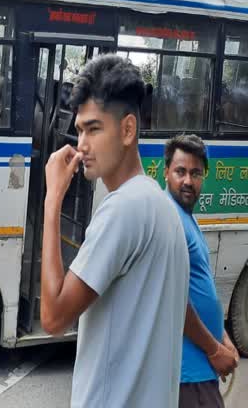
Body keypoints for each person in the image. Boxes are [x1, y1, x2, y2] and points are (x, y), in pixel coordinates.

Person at [40, 54, 189, 408]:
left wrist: (52, 202)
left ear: (127, 130)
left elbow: (53, 317)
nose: (82, 146)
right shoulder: (159, 203)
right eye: (79, 130)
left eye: (94, 129)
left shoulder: (123, 209)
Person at [163, 134, 240, 408]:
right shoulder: (169, 220)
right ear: (166, 173)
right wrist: (215, 349)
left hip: (199, 371)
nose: (188, 181)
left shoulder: (185, 216)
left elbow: (198, 288)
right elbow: (174, 300)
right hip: (187, 374)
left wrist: (223, 336)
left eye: (196, 173)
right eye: (180, 171)